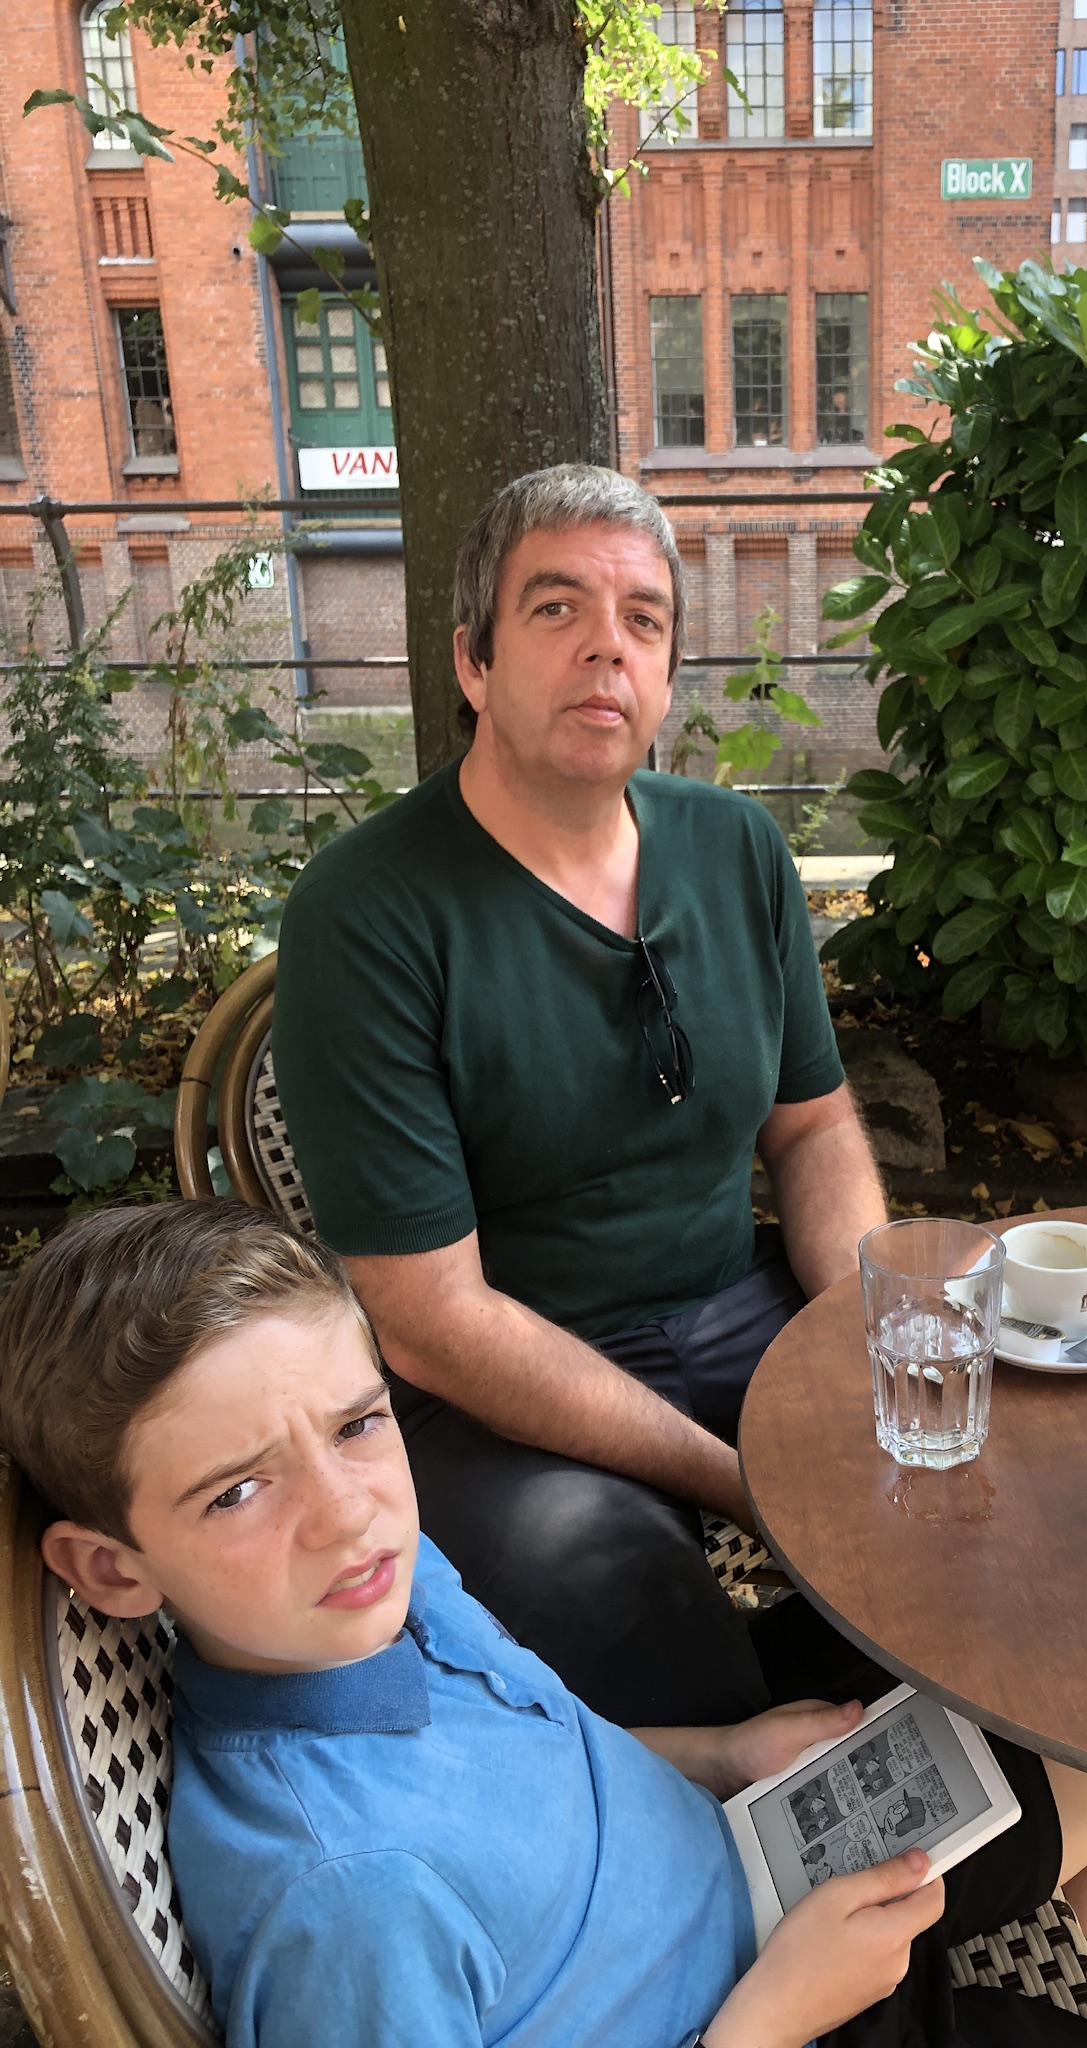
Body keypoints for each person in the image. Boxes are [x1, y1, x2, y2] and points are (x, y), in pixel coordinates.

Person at [0, 1201, 1087, 2048]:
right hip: (764, 2007)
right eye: (238, 1490)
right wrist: (772, 2016)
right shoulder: (350, 1906)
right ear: (110, 1568)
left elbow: (520, 1753)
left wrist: (717, 1752)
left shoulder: (365, 1596)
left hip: (753, 1878)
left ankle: (1061, 2011)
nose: (346, 1511)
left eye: (357, 1424)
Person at [272, 464, 889, 1729]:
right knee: (621, 1597)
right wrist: (736, 1477)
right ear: (474, 660)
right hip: (500, 1377)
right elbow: (433, 1321)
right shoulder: (367, 913)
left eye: (643, 619)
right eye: (557, 608)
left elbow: (815, 1125)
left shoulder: (738, 849)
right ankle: (739, 1786)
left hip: (741, 1305)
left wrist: (868, 1331)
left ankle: (923, 1757)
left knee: (948, 1472)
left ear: (665, 675)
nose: (608, 645)